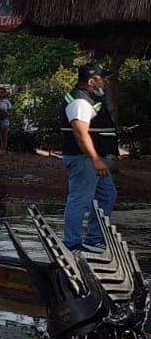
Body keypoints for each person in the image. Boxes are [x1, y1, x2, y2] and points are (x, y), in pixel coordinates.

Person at [60, 62, 119, 250]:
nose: (106, 83)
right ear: (92, 80)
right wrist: (95, 160)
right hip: (84, 159)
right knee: (80, 199)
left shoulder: (88, 99)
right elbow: (80, 133)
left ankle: (95, 239)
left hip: (92, 159)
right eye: (103, 79)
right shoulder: (80, 102)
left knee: (107, 195)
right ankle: (72, 243)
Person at [0, 87, 13, 152]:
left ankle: (3, 149)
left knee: (3, 136)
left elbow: (10, 112)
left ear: (4, 94)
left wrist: (6, 114)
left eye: (1, 92)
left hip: (4, 120)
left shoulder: (6, 101)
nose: (0, 94)